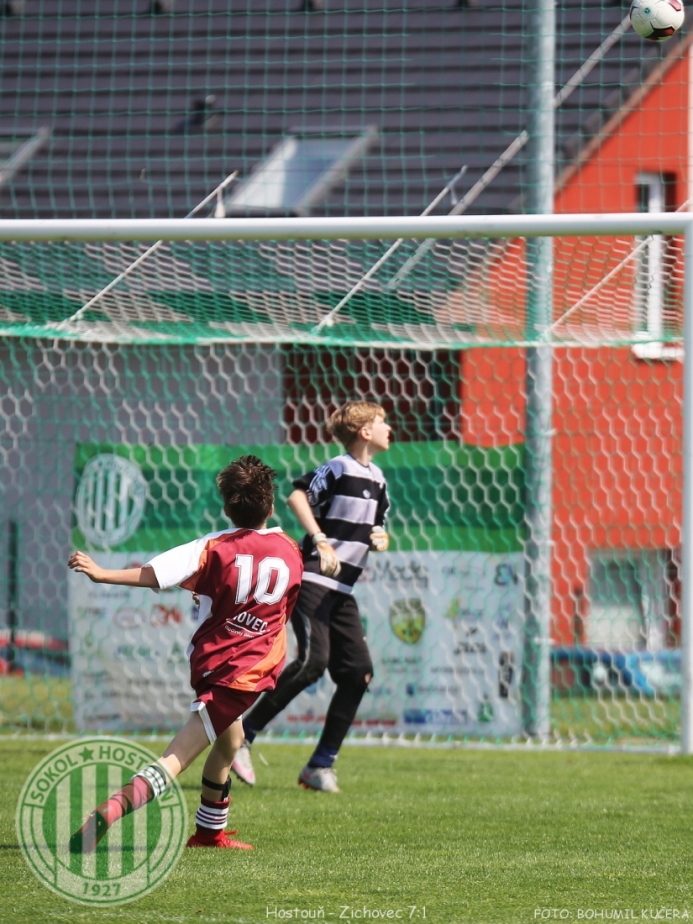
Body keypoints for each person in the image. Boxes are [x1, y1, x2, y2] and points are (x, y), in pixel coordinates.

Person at [68, 454, 303, 851]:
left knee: (229, 743)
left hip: (214, 661)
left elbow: (155, 575)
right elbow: (284, 609)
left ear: (227, 507)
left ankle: (209, 833)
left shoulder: (213, 547)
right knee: (178, 757)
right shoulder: (290, 550)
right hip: (243, 672)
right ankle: (109, 811)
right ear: (272, 505)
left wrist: (103, 572)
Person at [232, 402, 391, 793]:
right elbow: (297, 497)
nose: (390, 428)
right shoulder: (339, 467)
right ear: (364, 432)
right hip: (315, 581)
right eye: (382, 422)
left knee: (358, 673)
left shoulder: (380, 479)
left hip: (343, 593)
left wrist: (381, 536)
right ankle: (242, 737)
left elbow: (378, 524)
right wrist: (320, 539)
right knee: (312, 662)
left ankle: (320, 766)